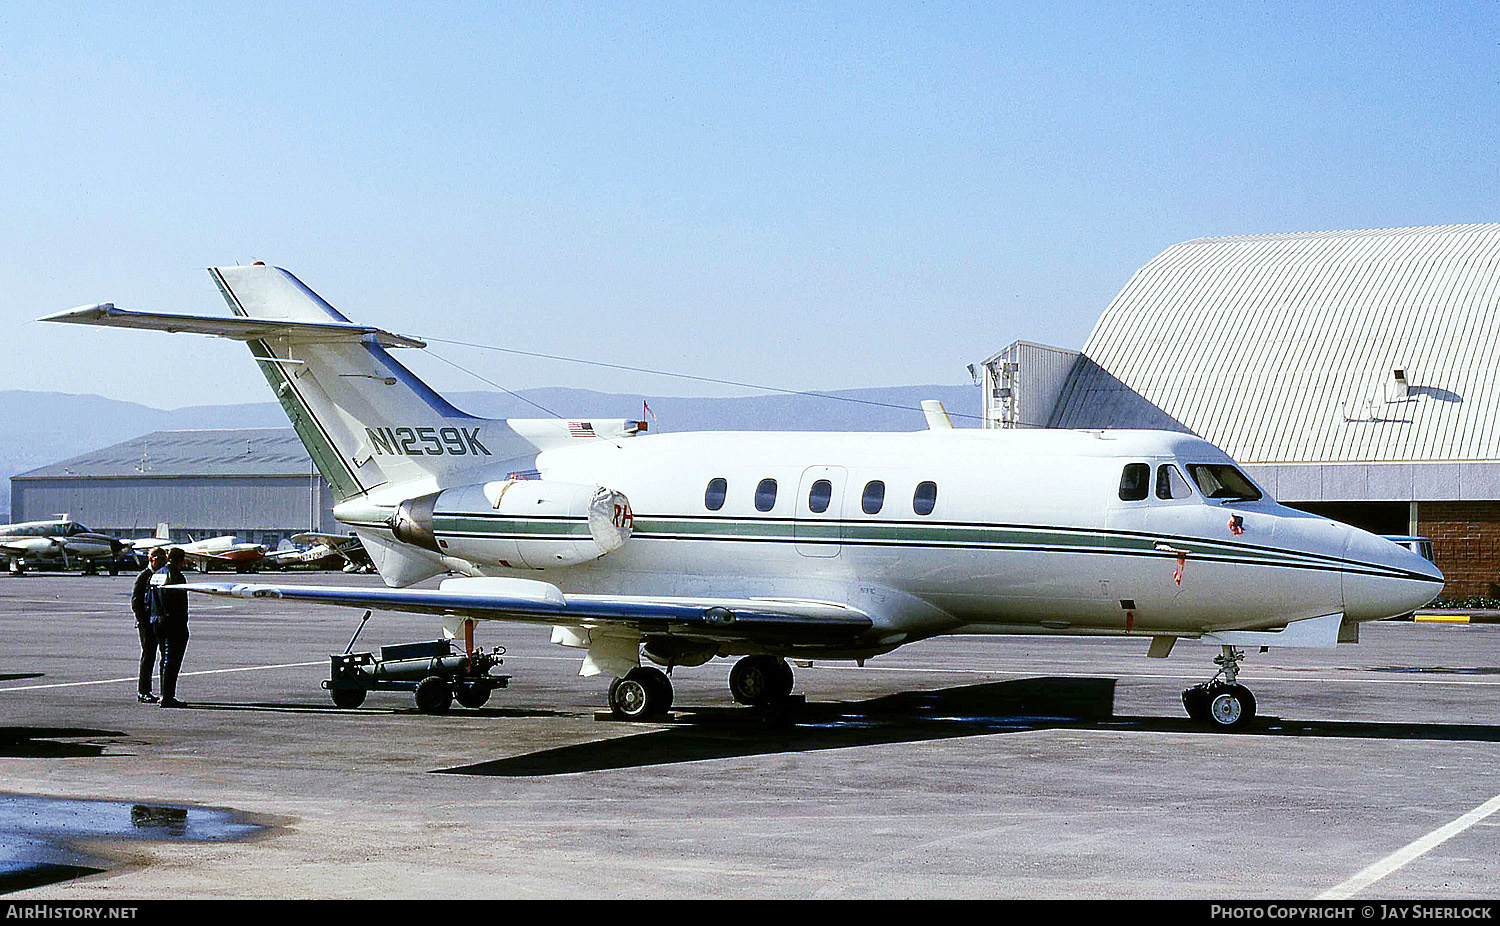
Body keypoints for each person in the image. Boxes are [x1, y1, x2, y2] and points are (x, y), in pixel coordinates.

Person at [148, 546, 191, 708]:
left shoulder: (157, 574)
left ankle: (163, 693)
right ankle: (168, 696)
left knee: (164, 659)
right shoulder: (177, 576)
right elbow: (179, 604)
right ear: (180, 560)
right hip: (173, 623)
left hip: (156, 621)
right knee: (172, 661)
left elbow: (148, 598)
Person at [129, 547, 165, 703]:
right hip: (146, 624)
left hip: (157, 622)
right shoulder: (144, 576)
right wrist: (143, 621)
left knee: (156, 656)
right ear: (152, 559)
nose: (163, 561)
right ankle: (143, 691)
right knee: (148, 655)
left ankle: (149, 690)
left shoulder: (161, 575)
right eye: (160, 558)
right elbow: (136, 602)